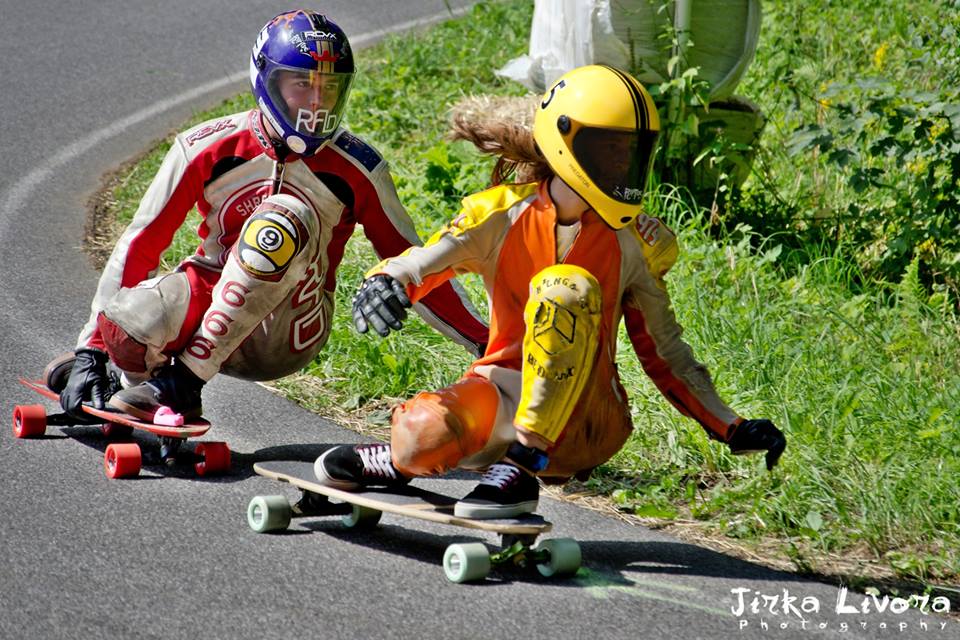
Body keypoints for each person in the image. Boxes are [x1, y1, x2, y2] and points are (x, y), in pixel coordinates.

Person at [313, 64, 786, 519]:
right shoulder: (499, 215)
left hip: (587, 418)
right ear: (565, 141)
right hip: (502, 396)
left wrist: (731, 425)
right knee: (420, 433)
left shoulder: (636, 244)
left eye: (632, 152)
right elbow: (426, 262)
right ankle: (396, 463)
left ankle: (521, 465)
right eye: (610, 149)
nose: (622, 164)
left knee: (563, 289)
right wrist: (388, 280)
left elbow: (666, 353)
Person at [46, 9, 488, 422]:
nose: (316, 101)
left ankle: (182, 382)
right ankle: (132, 389)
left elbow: (418, 265)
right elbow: (141, 243)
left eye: (329, 87)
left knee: (281, 217)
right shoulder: (204, 146)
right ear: (266, 82)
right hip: (208, 302)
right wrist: (93, 350)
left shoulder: (360, 168)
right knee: (130, 320)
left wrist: (488, 345)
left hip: (287, 330)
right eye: (301, 83)